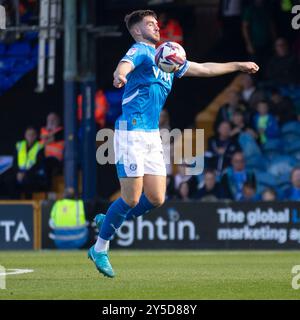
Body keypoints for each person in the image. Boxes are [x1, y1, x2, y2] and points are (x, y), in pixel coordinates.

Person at [87, 9, 259, 278]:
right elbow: (124, 65)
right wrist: (120, 75)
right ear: (136, 31)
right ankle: (100, 247)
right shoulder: (141, 51)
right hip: (130, 132)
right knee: (131, 198)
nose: (156, 27)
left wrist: (237, 65)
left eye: (156, 23)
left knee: (156, 198)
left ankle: (110, 220)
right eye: (149, 24)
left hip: (153, 135)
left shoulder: (167, 57)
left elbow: (204, 68)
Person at [12, 126, 47, 199]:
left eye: (32, 135)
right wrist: (18, 172)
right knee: (9, 180)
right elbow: (15, 162)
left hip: (32, 173)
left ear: (36, 136)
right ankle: (14, 204)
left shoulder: (40, 146)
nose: (30, 136)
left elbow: (39, 164)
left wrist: (26, 173)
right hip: (19, 172)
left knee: (28, 181)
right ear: (25, 135)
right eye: (28, 134)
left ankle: (28, 204)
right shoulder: (19, 145)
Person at [40, 112, 64, 177]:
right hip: (44, 160)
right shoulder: (42, 131)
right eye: (49, 119)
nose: (51, 121)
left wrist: (48, 138)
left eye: (54, 119)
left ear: (58, 121)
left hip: (57, 161)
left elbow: (51, 139)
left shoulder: (62, 131)